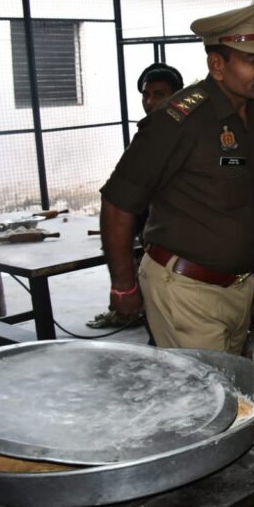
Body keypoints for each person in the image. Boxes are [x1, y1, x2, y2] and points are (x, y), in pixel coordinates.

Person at [99, 3, 254, 354]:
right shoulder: (177, 122)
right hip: (187, 291)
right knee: (207, 388)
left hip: (238, 288)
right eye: (252, 60)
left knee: (234, 384)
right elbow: (118, 202)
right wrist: (123, 285)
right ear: (217, 65)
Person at [87, 62, 184, 330]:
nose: (150, 102)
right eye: (146, 95)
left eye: (158, 94)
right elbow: (121, 200)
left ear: (178, 95)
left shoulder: (186, 133)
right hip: (151, 235)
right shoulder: (148, 134)